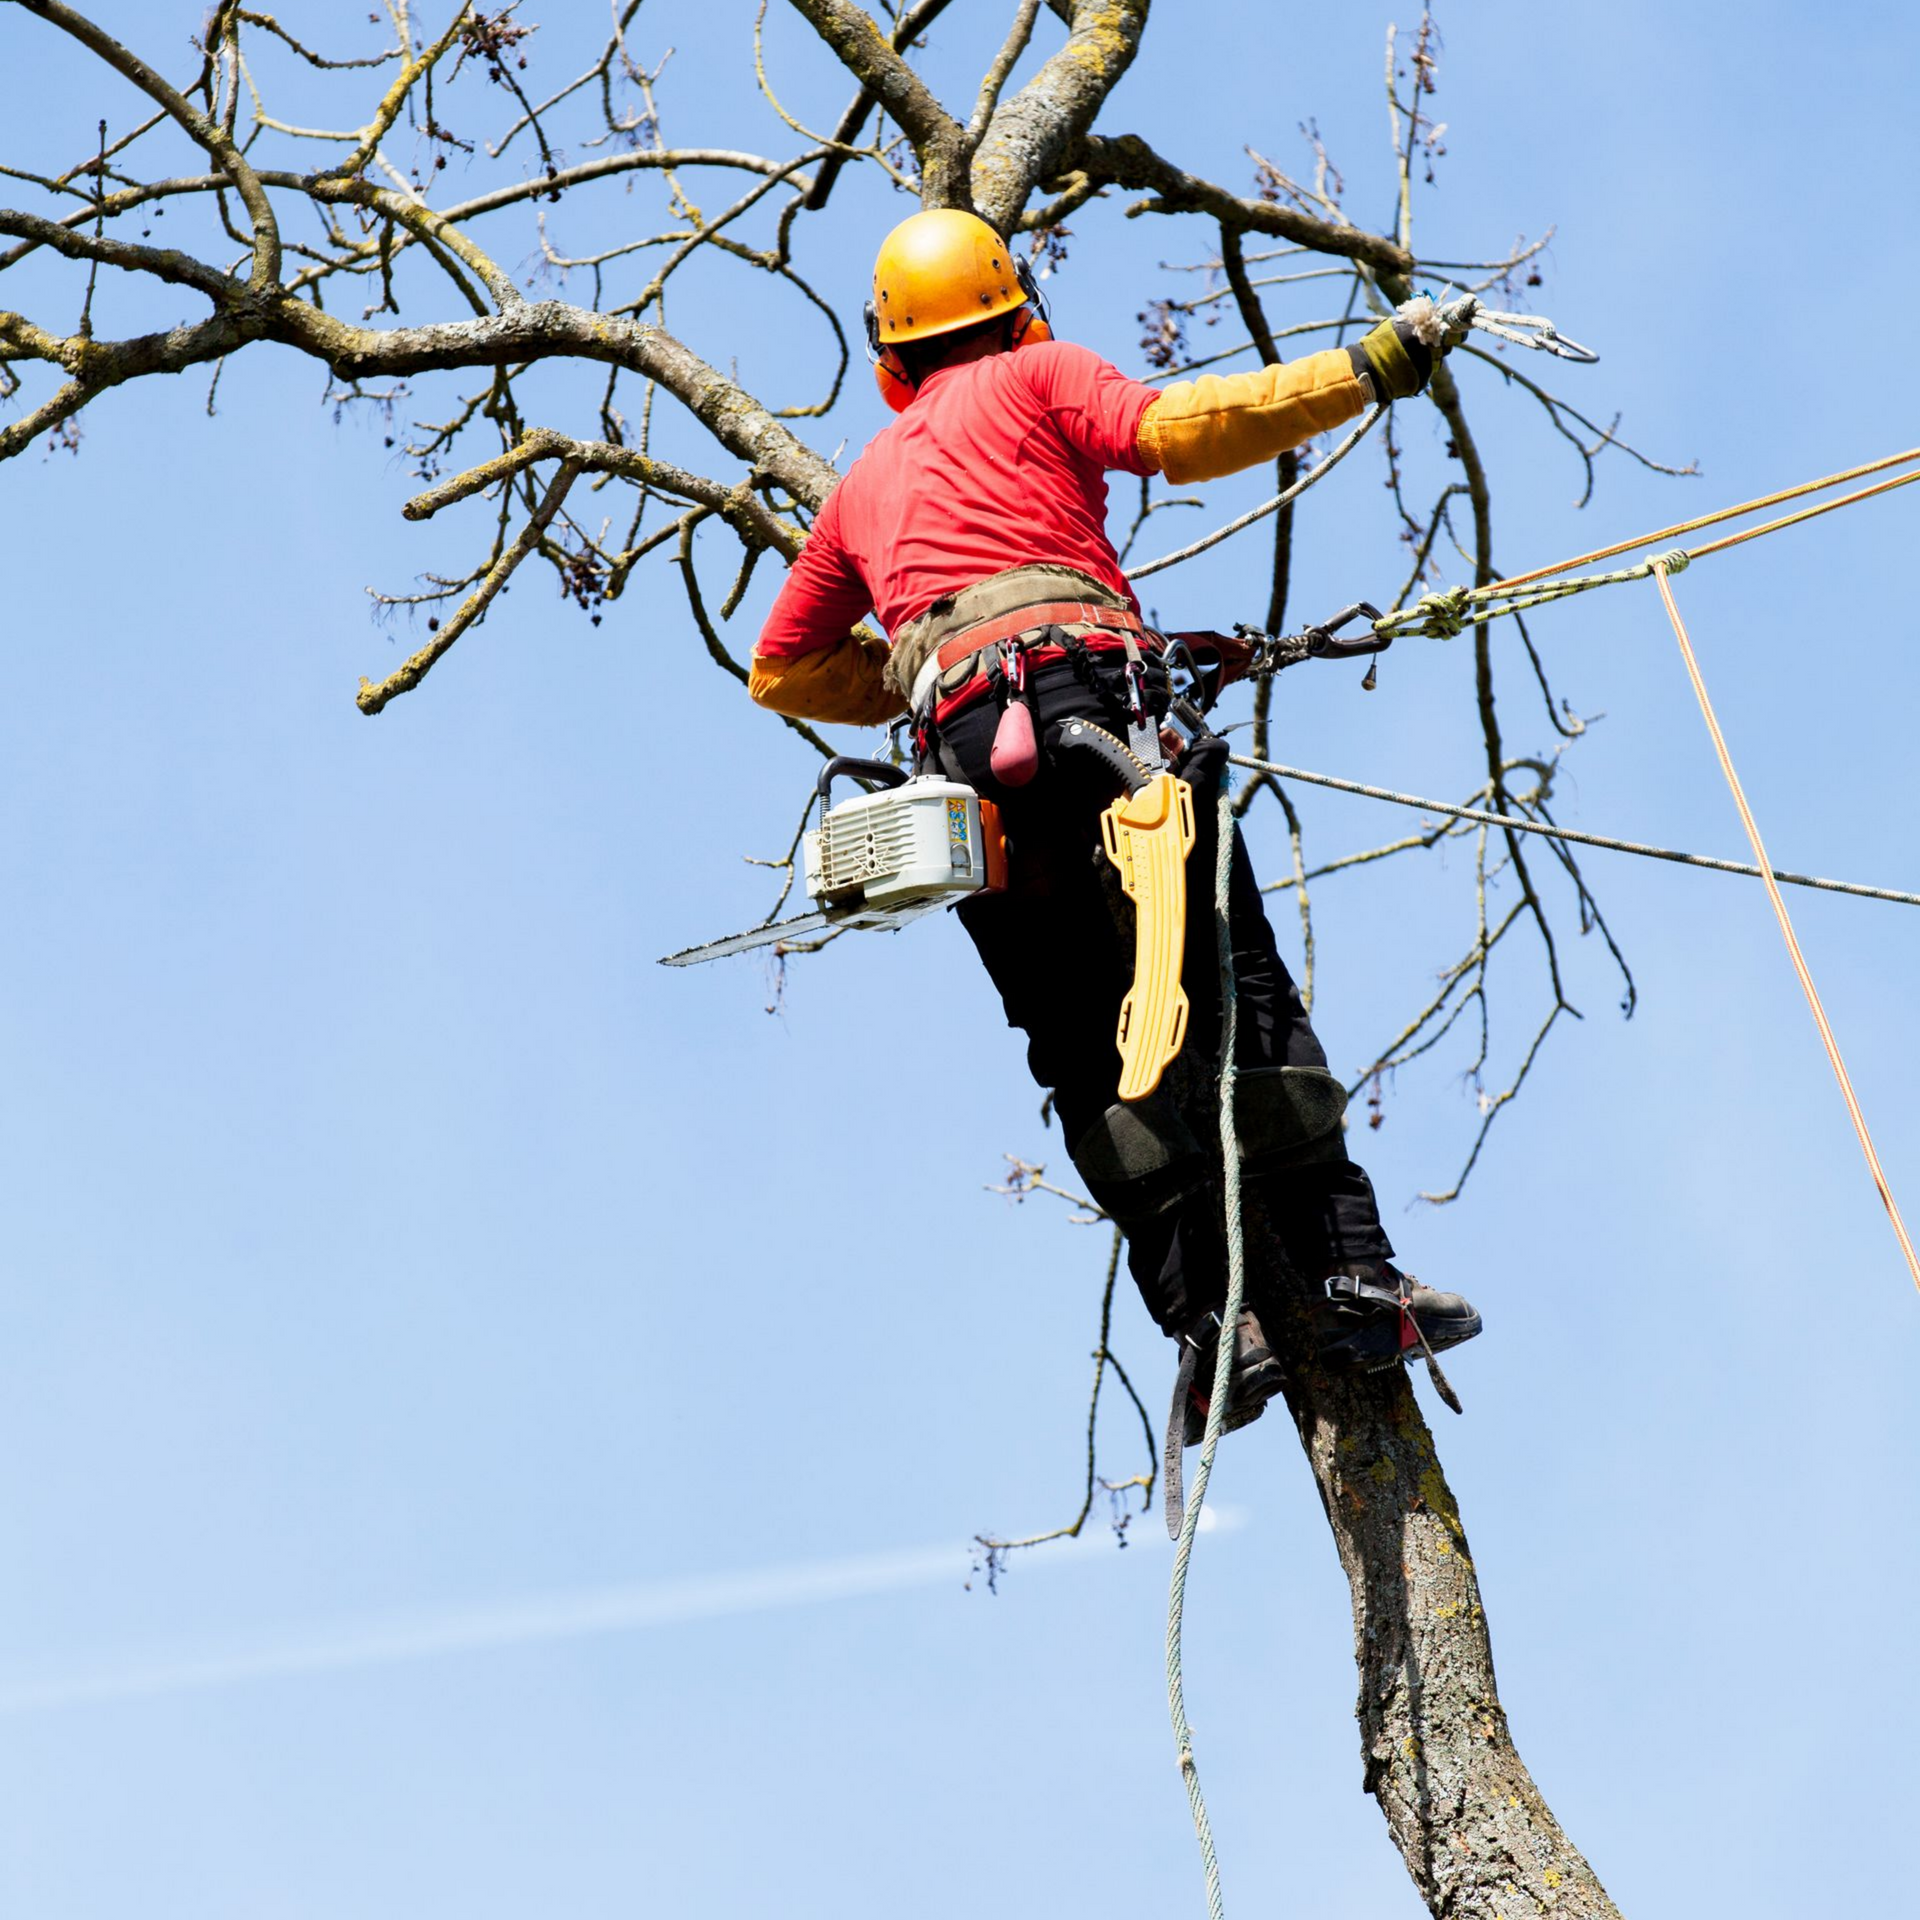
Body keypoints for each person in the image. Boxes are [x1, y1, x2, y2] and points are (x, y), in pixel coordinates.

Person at [749, 208, 1480, 1438]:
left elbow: (780, 669)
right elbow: (1175, 432)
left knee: (1082, 1043)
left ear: (895, 349)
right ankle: (1353, 1272)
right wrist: (1369, 368)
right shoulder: (1041, 374)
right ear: (1009, 308)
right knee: (1232, 982)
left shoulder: (864, 484)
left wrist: (936, 664)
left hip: (969, 771)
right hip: (1101, 713)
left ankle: (1212, 1329)